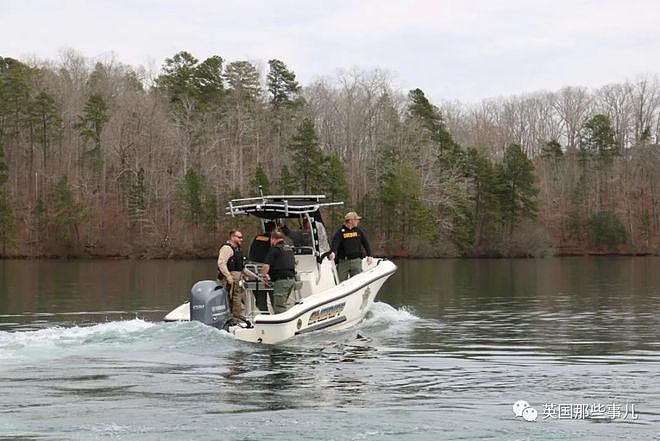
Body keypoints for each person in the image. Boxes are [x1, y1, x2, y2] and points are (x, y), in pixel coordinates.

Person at [217, 229, 256, 320]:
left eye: (241, 237)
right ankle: (230, 319)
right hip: (229, 280)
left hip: (237, 280)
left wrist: (256, 276)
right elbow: (221, 263)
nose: (241, 239)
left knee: (237, 299)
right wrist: (228, 276)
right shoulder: (227, 248)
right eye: (239, 237)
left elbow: (241, 268)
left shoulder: (237, 249)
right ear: (232, 237)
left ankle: (236, 318)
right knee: (230, 298)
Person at [329, 211, 373, 281]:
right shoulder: (340, 232)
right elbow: (335, 243)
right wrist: (333, 252)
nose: (358, 221)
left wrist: (369, 255)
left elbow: (365, 243)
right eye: (356, 220)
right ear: (350, 221)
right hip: (343, 262)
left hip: (356, 261)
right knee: (340, 282)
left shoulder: (359, 231)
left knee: (357, 282)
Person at [261, 230, 297, 314]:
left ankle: (281, 326)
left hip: (281, 281)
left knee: (279, 307)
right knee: (283, 303)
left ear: (273, 239)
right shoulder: (289, 249)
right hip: (291, 280)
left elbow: (266, 266)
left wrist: (263, 276)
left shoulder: (275, 249)